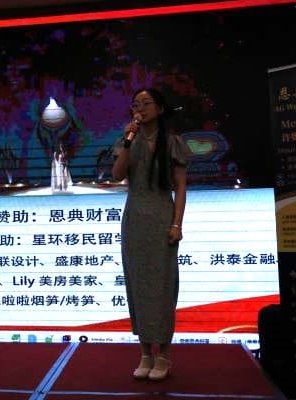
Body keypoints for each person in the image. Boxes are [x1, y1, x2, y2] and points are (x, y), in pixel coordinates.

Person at [112, 88, 189, 381]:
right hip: (134, 219)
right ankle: (145, 353)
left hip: (161, 217)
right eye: (135, 104)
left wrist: (177, 224)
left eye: (146, 103)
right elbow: (117, 175)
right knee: (138, 284)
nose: (140, 109)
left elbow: (180, 186)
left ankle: (164, 355)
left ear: (160, 108)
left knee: (162, 286)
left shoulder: (172, 142)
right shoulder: (127, 139)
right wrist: (128, 141)